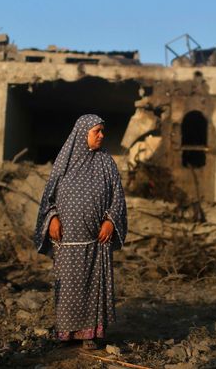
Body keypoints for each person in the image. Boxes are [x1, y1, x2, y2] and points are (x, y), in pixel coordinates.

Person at [33, 114, 127, 350]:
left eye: (102, 131)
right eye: (97, 131)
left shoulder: (107, 163)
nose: (102, 136)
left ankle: (91, 334)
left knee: (93, 286)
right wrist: (52, 217)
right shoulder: (64, 163)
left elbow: (118, 197)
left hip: (97, 242)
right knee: (68, 288)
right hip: (67, 244)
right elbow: (49, 197)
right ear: (82, 133)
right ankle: (67, 333)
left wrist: (110, 221)